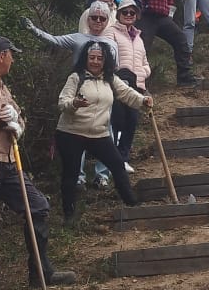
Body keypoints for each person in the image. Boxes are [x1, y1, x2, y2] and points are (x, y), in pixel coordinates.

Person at [0, 36, 77, 289]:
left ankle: (40, 273)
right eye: (11, 54)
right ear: (2, 55)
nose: (12, 59)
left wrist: (17, 125)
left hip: (9, 159)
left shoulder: (1, 86)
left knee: (38, 206)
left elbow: (17, 117)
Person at [55, 42, 150, 218]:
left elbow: (127, 93)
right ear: (85, 59)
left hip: (99, 133)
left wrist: (142, 101)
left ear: (106, 61)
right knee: (71, 173)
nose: (96, 62)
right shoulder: (76, 78)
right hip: (71, 133)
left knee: (117, 164)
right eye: (92, 58)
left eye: (100, 58)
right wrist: (74, 103)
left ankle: (131, 203)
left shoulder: (110, 78)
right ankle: (68, 214)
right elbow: (62, 102)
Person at [110, 0, 151, 169]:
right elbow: (107, 55)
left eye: (132, 13)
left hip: (137, 85)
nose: (128, 15)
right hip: (119, 83)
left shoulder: (138, 37)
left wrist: (141, 74)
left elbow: (145, 63)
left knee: (132, 122)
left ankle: (123, 158)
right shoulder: (111, 32)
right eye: (124, 12)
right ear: (118, 14)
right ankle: (114, 159)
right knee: (117, 122)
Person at [24, 4, 119, 65]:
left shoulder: (112, 44)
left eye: (102, 18)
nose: (98, 21)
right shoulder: (78, 38)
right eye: (94, 17)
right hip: (80, 85)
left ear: (107, 21)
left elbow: (115, 69)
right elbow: (55, 40)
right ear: (88, 19)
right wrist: (34, 30)